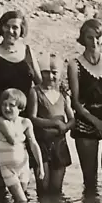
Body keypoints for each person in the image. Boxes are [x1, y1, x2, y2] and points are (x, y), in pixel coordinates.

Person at [68, 18, 102, 192]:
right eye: (89, 37)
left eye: (98, 37)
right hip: (86, 121)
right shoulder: (74, 65)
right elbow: (75, 102)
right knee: (90, 180)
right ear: (83, 38)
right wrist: (95, 122)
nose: (94, 42)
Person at [29, 53, 74, 195]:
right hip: (41, 143)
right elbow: (32, 118)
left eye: (54, 73)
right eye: (46, 73)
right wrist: (54, 122)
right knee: (43, 187)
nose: (50, 77)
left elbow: (72, 118)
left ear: (59, 74)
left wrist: (66, 127)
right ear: (40, 73)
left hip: (59, 143)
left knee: (56, 189)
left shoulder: (63, 94)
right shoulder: (35, 92)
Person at [0, 10, 42, 108]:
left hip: (26, 114)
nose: (10, 31)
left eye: (15, 27)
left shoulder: (28, 51)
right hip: (1, 112)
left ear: (21, 29)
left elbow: (40, 84)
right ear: (1, 27)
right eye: (7, 26)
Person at [0, 88, 45, 203]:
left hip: (23, 166)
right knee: (22, 201)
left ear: (20, 108)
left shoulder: (26, 122)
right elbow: (11, 139)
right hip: (7, 167)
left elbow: (33, 144)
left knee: (20, 200)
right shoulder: (0, 121)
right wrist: (23, 136)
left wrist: (40, 167)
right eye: (4, 105)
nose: (6, 108)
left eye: (11, 105)